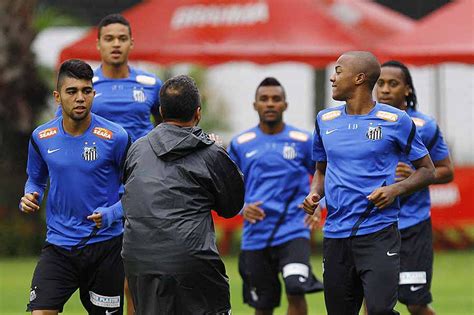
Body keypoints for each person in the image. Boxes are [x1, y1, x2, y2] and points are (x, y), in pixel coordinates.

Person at [301, 51, 435, 315]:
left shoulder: (396, 121)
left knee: (379, 311)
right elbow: (321, 171)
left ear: (360, 78)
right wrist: (315, 195)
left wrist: (395, 189)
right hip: (336, 235)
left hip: (378, 232)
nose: (332, 78)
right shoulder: (324, 120)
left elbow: (428, 170)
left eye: (339, 71)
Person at [121, 75, 245, 315]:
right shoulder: (210, 152)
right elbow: (231, 207)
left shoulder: (136, 149)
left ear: (160, 111)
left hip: (139, 261)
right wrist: (220, 152)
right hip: (191, 261)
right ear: (198, 114)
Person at [20, 59, 130, 315]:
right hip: (59, 246)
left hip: (106, 247)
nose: (80, 98)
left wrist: (112, 213)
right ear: (58, 97)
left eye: (86, 91)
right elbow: (35, 179)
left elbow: (136, 189)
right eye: (72, 91)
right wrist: (29, 195)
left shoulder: (116, 137)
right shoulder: (41, 137)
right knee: (41, 312)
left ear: (93, 93)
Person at [227, 77, 324, 315]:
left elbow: (324, 176)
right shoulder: (240, 143)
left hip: (293, 230)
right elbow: (226, 187)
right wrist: (242, 208)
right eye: (264, 99)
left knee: (296, 287)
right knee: (263, 305)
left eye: (276, 99)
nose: (270, 104)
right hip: (257, 235)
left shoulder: (303, 141)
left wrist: (319, 203)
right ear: (255, 105)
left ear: (285, 105)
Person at [376, 60, 454, 315]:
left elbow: (446, 171)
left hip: (412, 226)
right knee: (373, 299)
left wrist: (416, 175)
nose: (385, 89)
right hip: (374, 226)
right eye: (380, 83)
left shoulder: (424, 126)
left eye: (393, 83)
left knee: (416, 303)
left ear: (407, 89)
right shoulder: (365, 124)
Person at [57, 13, 162, 142]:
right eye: (109, 39)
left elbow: (165, 126)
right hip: (96, 158)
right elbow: (63, 127)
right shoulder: (83, 85)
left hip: (142, 160)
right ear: (98, 44)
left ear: (131, 43)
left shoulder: (152, 84)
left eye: (122, 38)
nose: (116, 44)